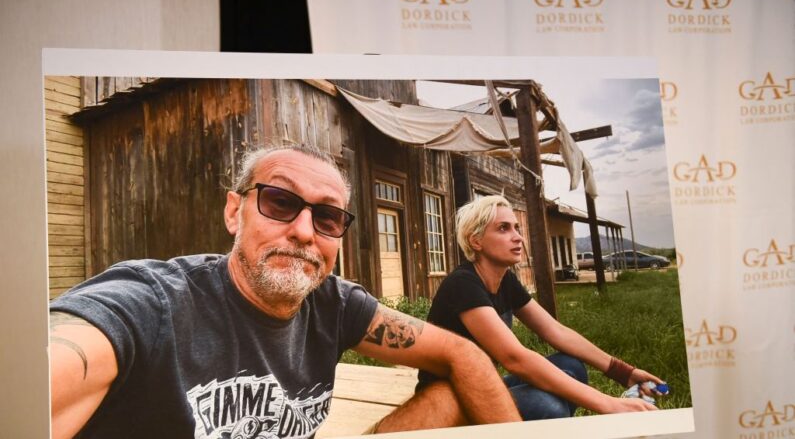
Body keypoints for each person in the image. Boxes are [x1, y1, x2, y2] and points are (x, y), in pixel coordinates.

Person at [49, 145, 521, 439]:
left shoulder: (334, 304)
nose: (303, 231)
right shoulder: (155, 301)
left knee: (453, 396)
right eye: (279, 202)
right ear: (235, 212)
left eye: (328, 217)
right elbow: (55, 364)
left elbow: (465, 355)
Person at [416, 195, 664, 420]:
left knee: (571, 365)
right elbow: (515, 359)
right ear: (476, 241)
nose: (518, 237)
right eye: (503, 228)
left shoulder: (505, 280)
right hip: (447, 402)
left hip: (482, 387)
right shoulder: (463, 283)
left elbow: (555, 331)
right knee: (548, 407)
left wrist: (623, 372)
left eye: (517, 227)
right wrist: (609, 404)